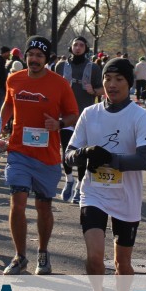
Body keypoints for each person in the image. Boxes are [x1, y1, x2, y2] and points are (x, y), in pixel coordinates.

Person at [65, 58, 146, 291]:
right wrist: (84, 153)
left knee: (121, 264)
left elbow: (144, 160)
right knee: (94, 257)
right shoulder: (89, 114)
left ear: (129, 83)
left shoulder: (139, 116)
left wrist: (110, 159)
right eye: (107, 79)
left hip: (126, 197)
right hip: (93, 193)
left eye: (119, 79)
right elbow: (68, 155)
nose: (112, 84)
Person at [0, 35, 78, 276]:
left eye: (39, 56)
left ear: (47, 59)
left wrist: (59, 123)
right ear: (25, 56)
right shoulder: (14, 79)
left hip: (47, 156)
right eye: (31, 54)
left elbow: (73, 114)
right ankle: (20, 256)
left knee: (43, 207)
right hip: (19, 152)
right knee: (18, 202)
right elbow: (8, 105)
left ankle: (42, 252)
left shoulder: (59, 84)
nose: (34, 59)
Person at [54, 36, 103, 202]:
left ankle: (80, 186)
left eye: (81, 45)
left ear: (86, 48)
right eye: (75, 44)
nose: (78, 47)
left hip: (84, 115)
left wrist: (94, 90)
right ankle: (69, 180)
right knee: (66, 150)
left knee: (82, 153)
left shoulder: (93, 67)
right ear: (71, 47)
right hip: (65, 114)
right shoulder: (61, 66)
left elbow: (103, 89)